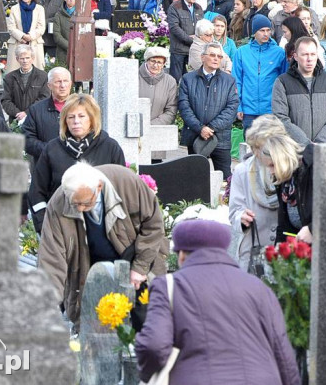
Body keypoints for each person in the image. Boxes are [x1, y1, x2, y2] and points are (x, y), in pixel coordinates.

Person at [135, 217, 300, 385]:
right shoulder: (259, 288)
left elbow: (154, 346)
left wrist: (147, 376)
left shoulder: (169, 286)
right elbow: (283, 355)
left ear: (182, 254)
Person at [38, 163, 167, 328]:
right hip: (89, 268)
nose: (80, 209)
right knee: (97, 330)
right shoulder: (59, 204)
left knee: (147, 324)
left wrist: (140, 267)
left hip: (134, 257)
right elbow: (51, 259)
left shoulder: (125, 182)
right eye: (75, 204)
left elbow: (154, 224)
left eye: (85, 203)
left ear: (98, 187)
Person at [28, 94, 126, 232]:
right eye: (71, 117)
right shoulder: (52, 149)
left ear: (92, 119)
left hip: (102, 227)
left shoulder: (110, 147)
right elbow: (37, 191)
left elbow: (121, 188)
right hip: (60, 226)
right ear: (64, 121)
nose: (76, 121)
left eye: (81, 116)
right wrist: (44, 224)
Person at [228, 116, 284, 269]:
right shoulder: (243, 171)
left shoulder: (290, 168)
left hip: (285, 251)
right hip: (254, 250)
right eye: (257, 148)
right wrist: (242, 217)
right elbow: (235, 212)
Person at [272, 36, 326, 146]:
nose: (309, 59)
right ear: (295, 56)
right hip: (294, 150)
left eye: (312, 54)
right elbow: (280, 117)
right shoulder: (283, 82)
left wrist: (322, 141)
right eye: (305, 54)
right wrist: (305, 143)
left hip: (323, 149)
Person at [179, 42, 239, 175]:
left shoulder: (229, 81)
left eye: (219, 56)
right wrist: (200, 128)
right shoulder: (187, 79)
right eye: (212, 55)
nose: (216, 58)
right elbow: (184, 107)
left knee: (225, 179)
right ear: (202, 57)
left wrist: (211, 128)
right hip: (196, 137)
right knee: (195, 178)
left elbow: (232, 108)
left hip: (220, 138)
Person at [233, 14, 288, 129]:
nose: (266, 34)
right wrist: (238, 106)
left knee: (270, 144)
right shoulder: (241, 52)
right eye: (262, 30)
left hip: (271, 109)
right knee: (250, 144)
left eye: (268, 30)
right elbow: (237, 81)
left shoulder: (279, 53)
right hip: (249, 110)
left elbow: (284, 81)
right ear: (254, 32)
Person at [24, 67, 74, 161]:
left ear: (70, 84)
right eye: (58, 82)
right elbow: (27, 140)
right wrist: (51, 150)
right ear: (49, 85)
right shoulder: (36, 110)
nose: (62, 85)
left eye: (66, 81)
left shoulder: (81, 108)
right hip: (45, 166)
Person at [1, 44, 49, 121]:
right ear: (17, 59)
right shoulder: (9, 77)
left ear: (32, 58)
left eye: (27, 58)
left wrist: (27, 113)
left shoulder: (43, 76)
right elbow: (6, 100)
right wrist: (18, 114)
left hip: (37, 118)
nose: (25, 61)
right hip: (16, 119)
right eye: (22, 58)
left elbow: (44, 98)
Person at [5, 0, 46, 72]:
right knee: (14, 72)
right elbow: (11, 27)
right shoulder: (14, 8)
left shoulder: (39, 9)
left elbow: (41, 27)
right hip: (17, 42)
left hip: (34, 43)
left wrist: (30, 37)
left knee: (35, 74)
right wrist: (22, 36)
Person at [167, 0, 203, 81]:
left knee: (192, 80)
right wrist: (190, 39)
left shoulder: (198, 7)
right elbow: (174, 27)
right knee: (176, 79)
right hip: (179, 50)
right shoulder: (175, 7)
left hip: (194, 50)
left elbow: (201, 26)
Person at [138, 47, 178, 125]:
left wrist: (153, 125)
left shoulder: (170, 81)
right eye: (153, 61)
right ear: (147, 61)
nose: (155, 65)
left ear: (164, 64)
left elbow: (172, 109)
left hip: (158, 130)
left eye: (159, 62)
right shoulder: (133, 77)